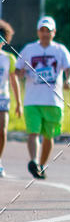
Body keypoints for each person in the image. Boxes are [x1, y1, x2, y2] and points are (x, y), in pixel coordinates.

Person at [15, 15, 70, 179]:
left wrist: (69, 80)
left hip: (53, 101)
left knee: (49, 136)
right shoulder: (29, 49)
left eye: (48, 30)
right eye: (42, 30)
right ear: (37, 32)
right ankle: (33, 161)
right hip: (32, 100)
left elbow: (69, 69)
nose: (45, 33)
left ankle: (40, 165)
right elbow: (18, 70)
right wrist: (21, 73)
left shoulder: (60, 50)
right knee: (33, 132)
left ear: (54, 32)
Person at [0, 20, 23, 177]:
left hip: (3, 98)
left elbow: (14, 82)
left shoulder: (9, 58)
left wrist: (19, 103)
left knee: (2, 131)